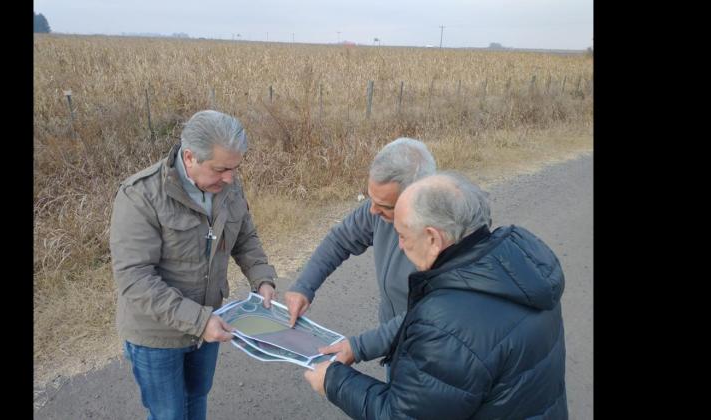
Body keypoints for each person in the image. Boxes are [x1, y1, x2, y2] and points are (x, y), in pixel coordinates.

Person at [304, 171, 568, 419]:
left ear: (433, 239)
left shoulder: (444, 322)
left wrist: (333, 381)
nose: (399, 244)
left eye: (403, 235)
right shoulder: (518, 268)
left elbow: (403, 415)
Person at [110, 110, 278, 420]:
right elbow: (135, 279)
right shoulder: (141, 196)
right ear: (190, 157)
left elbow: (245, 238)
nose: (230, 178)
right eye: (221, 169)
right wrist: (199, 321)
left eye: (235, 168)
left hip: (207, 328)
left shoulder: (228, 188)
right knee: (169, 414)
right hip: (157, 336)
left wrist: (263, 279)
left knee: (196, 399)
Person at [283, 137, 436, 375]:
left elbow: (428, 315)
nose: (373, 211)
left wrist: (358, 347)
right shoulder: (378, 210)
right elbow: (340, 239)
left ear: (418, 199)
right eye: (370, 198)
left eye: (384, 205)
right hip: (396, 347)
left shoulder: (446, 238)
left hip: (434, 353)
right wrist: (304, 286)